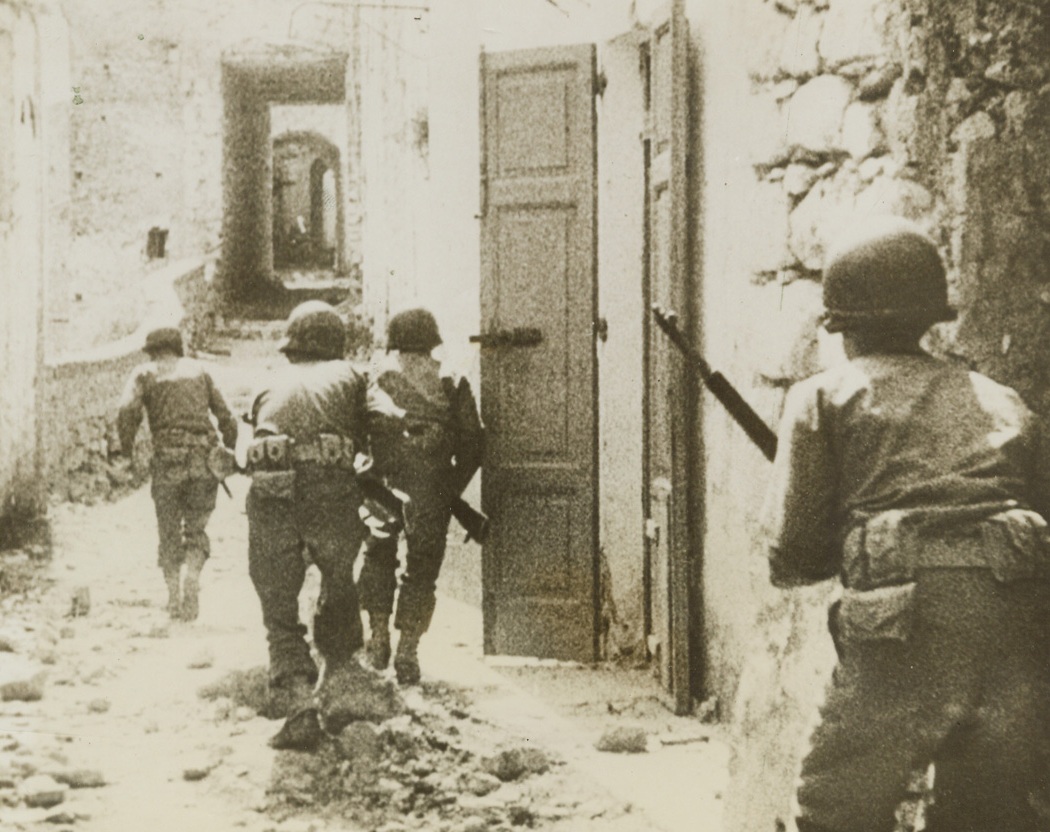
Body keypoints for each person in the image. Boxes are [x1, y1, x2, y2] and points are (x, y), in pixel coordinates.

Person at [761, 216, 1050, 832]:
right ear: (929, 320)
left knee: (836, 809)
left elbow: (795, 557)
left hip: (905, 628)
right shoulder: (1003, 400)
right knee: (990, 815)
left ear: (843, 327)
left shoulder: (825, 397)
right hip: (1018, 624)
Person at [245, 300, 403, 749]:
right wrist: (374, 471)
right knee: (337, 581)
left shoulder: (268, 380)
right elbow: (388, 420)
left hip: (272, 492)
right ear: (337, 343)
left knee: (277, 599)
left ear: (290, 347)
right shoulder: (352, 376)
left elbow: (248, 442)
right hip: (332, 491)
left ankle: (298, 704)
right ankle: (339, 681)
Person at [358, 308, 484, 685]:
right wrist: (450, 489)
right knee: (422, 569)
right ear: (433, 340)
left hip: (381, 483)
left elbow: (357, 432)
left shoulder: (373, 377)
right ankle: (407, 651)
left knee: (378, 554)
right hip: (431, 486)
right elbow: (473, 445)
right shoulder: (451, 380)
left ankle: (377, 636)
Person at [116, 326, 238, 621]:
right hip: (204, 459)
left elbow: (126, 411)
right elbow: (227, 417)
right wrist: (228, 450)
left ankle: (173, 598)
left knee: (168, 531)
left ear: (153, 351)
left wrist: (127, 451)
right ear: (177, 348)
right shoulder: (200, 370)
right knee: (196, 529)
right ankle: (193, 576)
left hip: (168, 460)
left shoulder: (144, 373)